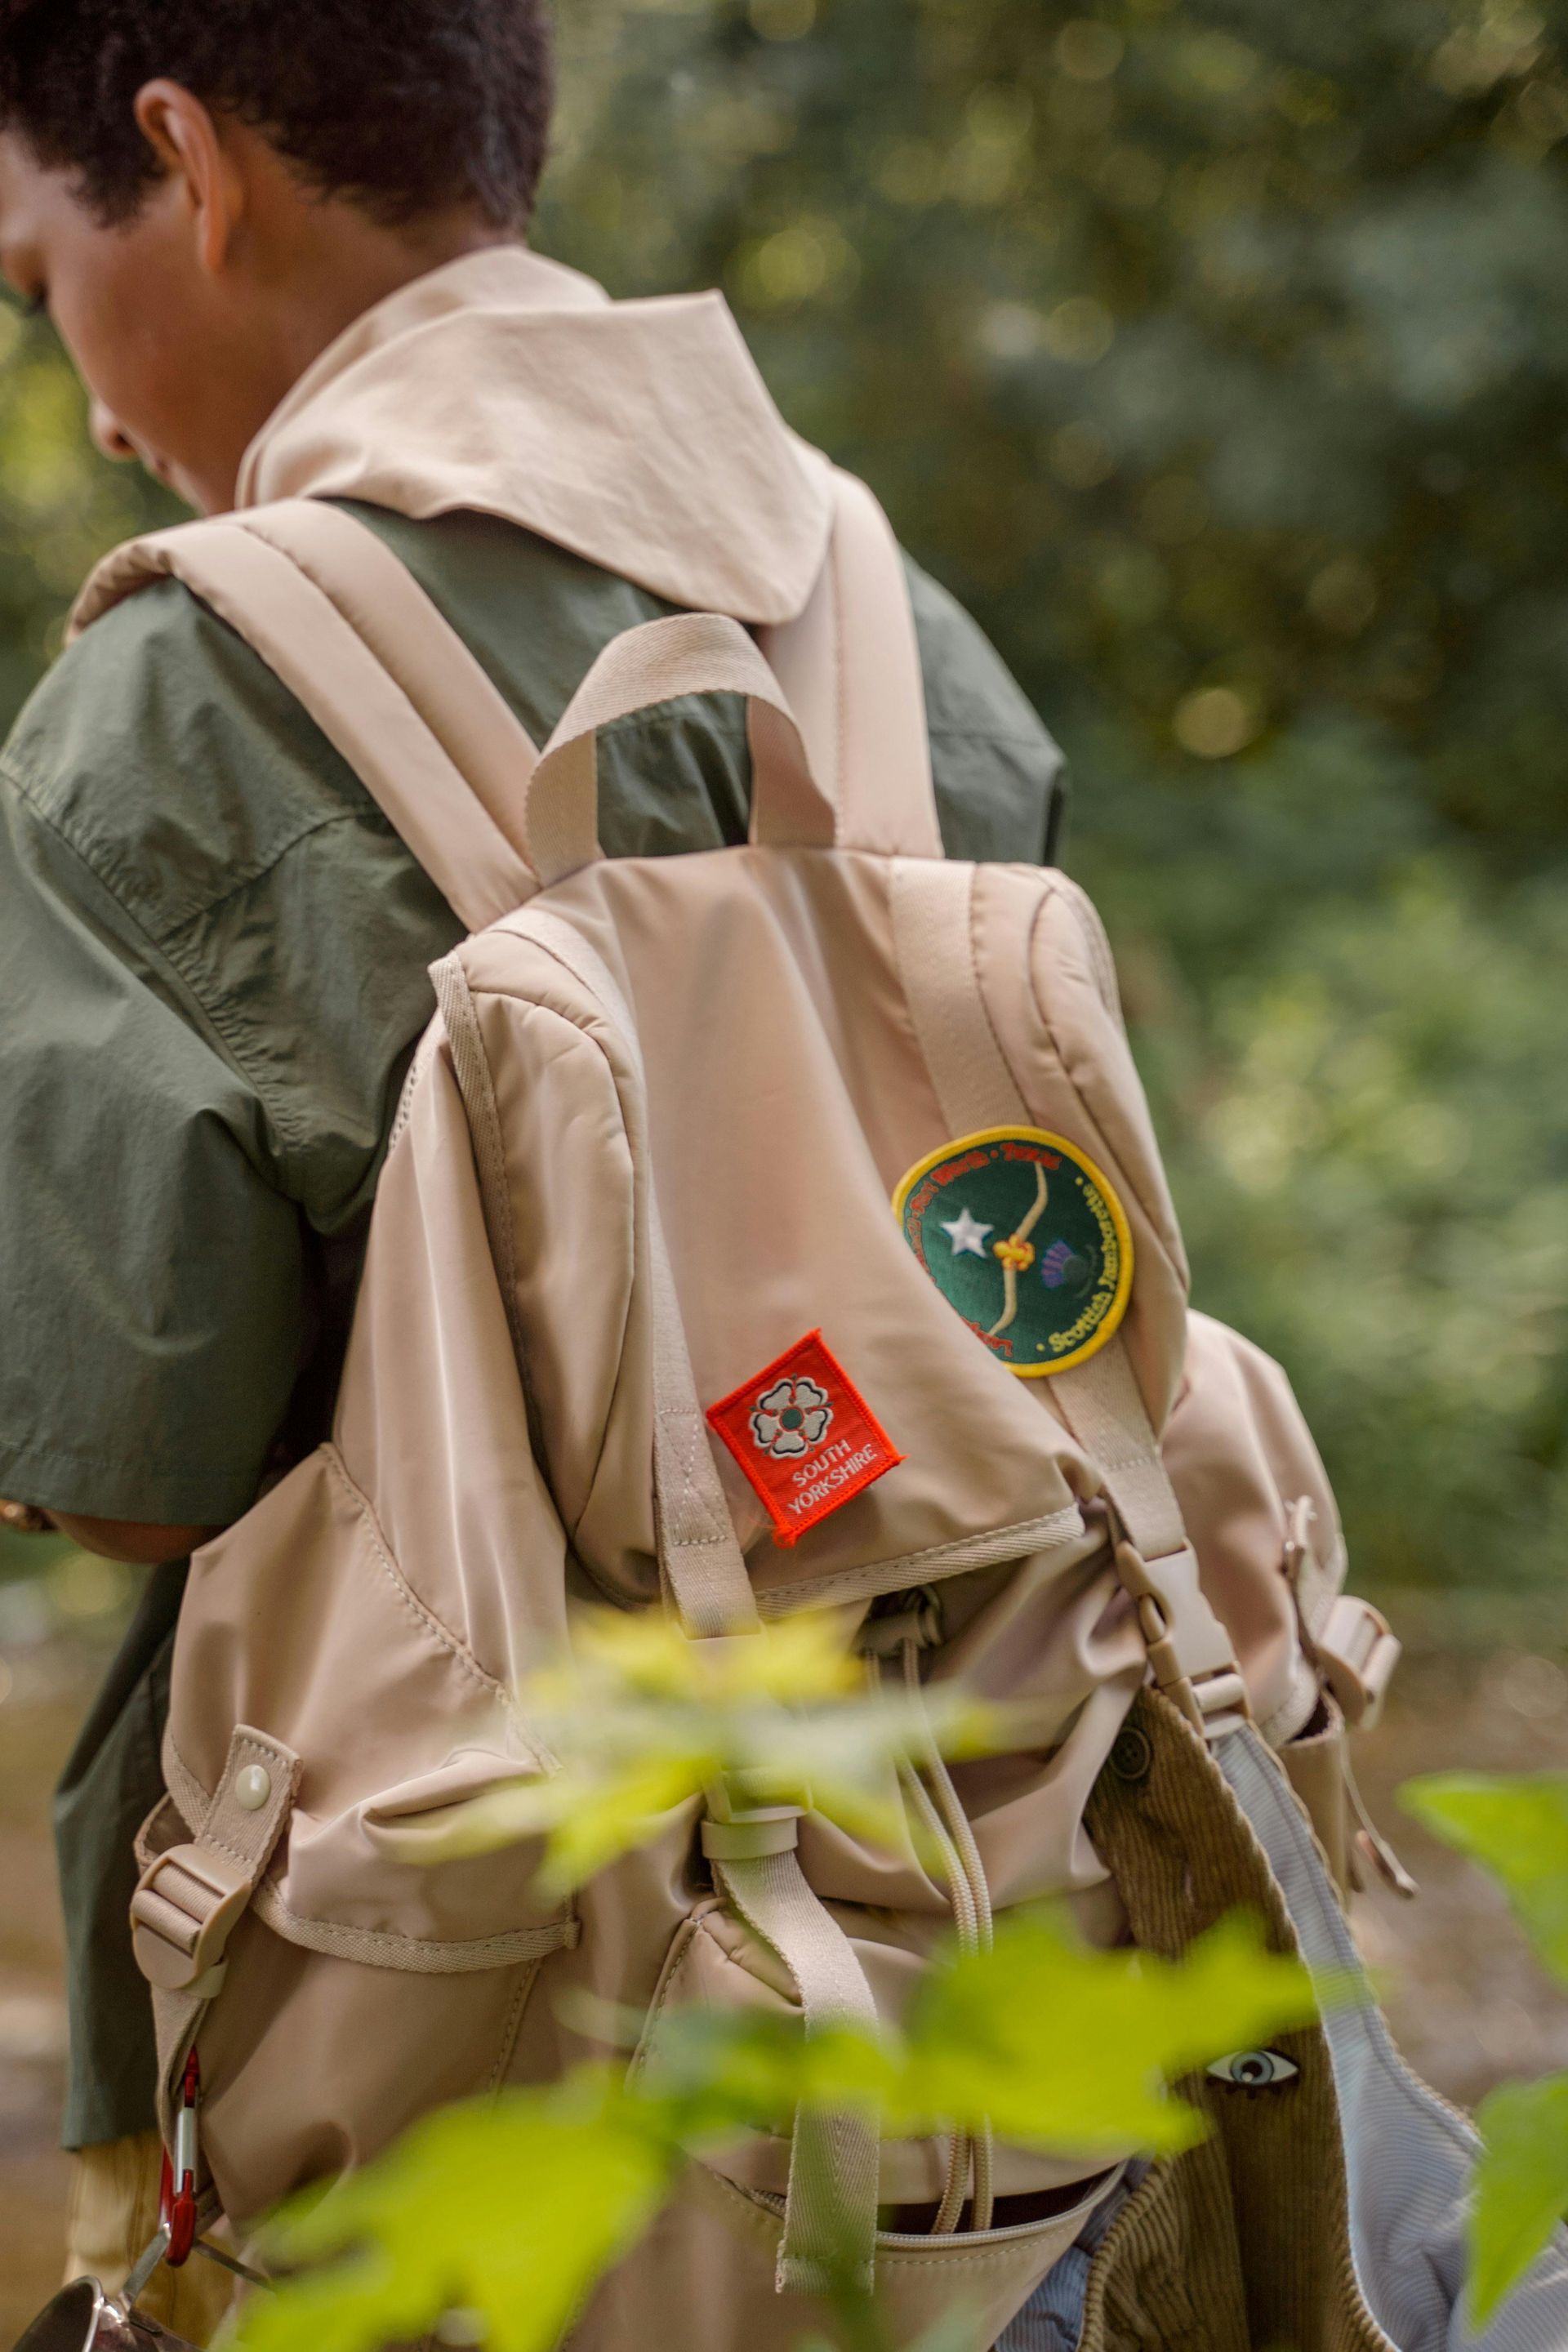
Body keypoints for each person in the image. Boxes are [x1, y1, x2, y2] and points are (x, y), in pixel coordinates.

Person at [0, 0, 1067, 2328]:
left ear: (188, 164)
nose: (79, 393)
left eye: (36, 282)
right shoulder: (904, 634)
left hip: (450, 2038)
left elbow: (139, 1473)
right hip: (982, 2000)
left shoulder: (179, 703)